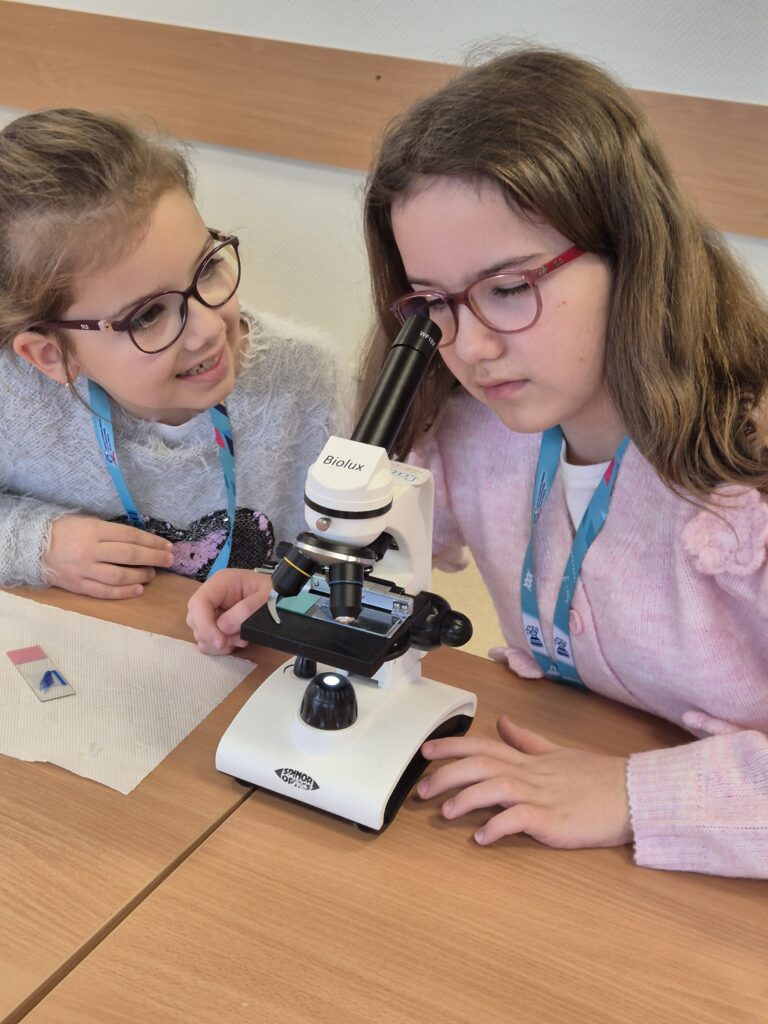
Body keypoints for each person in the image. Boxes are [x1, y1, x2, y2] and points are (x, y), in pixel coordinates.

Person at [187, 47, 768, 879]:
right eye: (434, 303)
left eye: (509, 287)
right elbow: (386, 544)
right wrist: (293, 591)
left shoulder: (746, 477)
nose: (471, 347)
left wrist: (636, 795)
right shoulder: (477, 429)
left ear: (634, 251)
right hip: (557, 770)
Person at [0, 108, 347, 605]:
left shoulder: (310, 381)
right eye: (147, 316)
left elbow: (368, 568)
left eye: (206, 269)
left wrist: (289, 599)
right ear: (51, 356)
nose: (208, 330)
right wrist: (40, 545)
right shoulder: (13, 394)